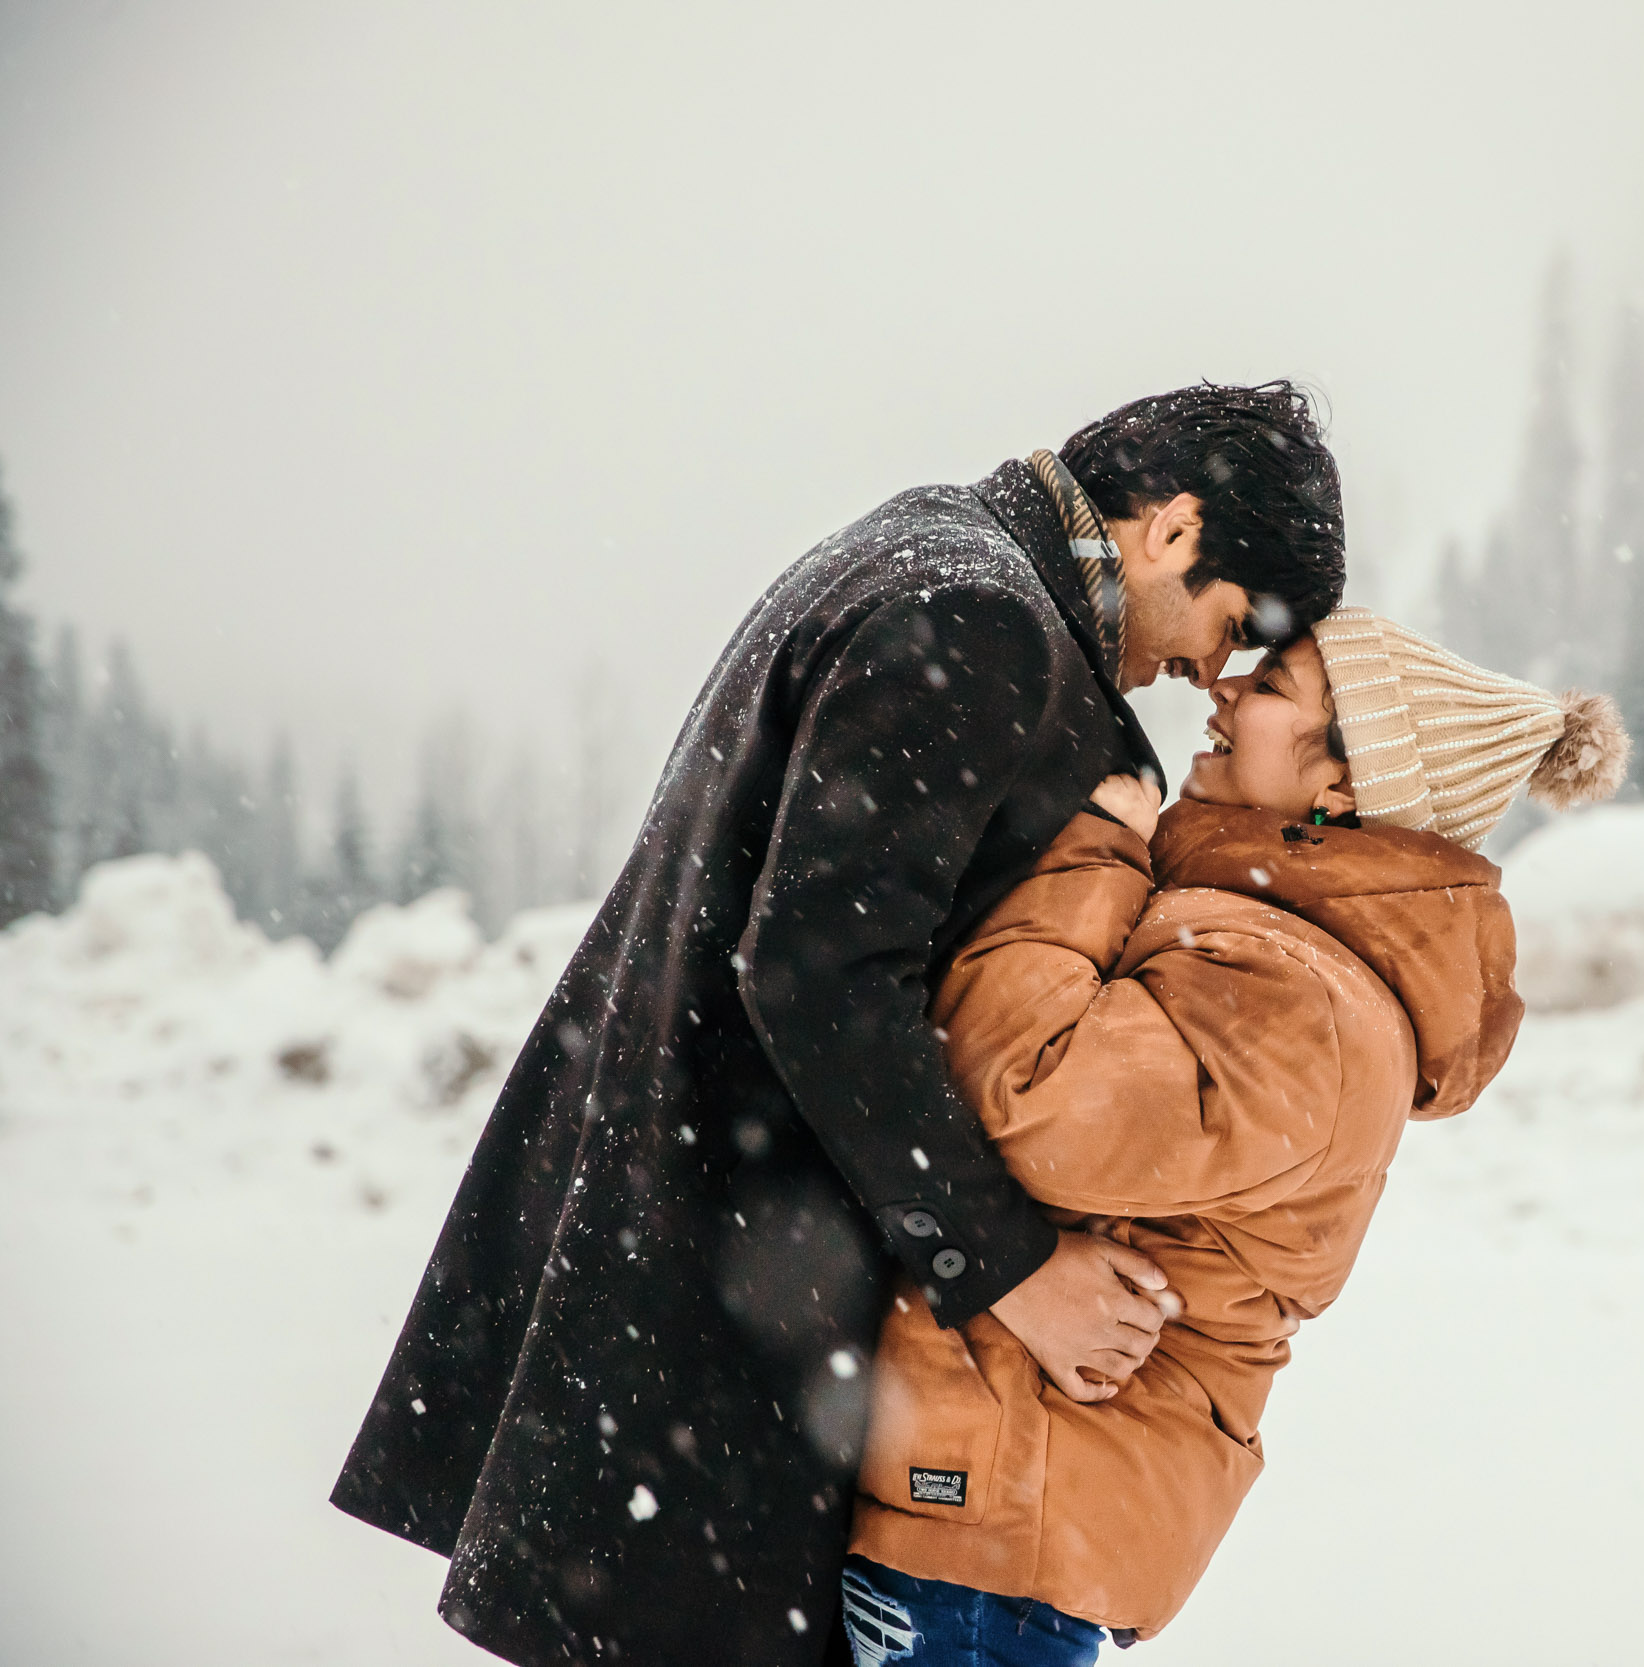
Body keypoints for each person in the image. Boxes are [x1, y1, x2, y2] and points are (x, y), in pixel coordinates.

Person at [329, 384, 1346, 1667]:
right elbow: (820, 978)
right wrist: (1016, 1269)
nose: (1210, 671)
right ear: (1174, 529)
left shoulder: (927, 546)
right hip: (723, 1293)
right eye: (1227, 624)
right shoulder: (980, 618)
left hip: (680, 1255)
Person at [839, 608, 1629, 1664]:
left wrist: (1091, 851)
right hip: (983, 1508)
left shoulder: (1304, 998)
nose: (1223, 688)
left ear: (1343, 786)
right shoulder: (1263, 943)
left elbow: (1023, 1093)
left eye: (1274, 685)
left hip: (998, 1527)